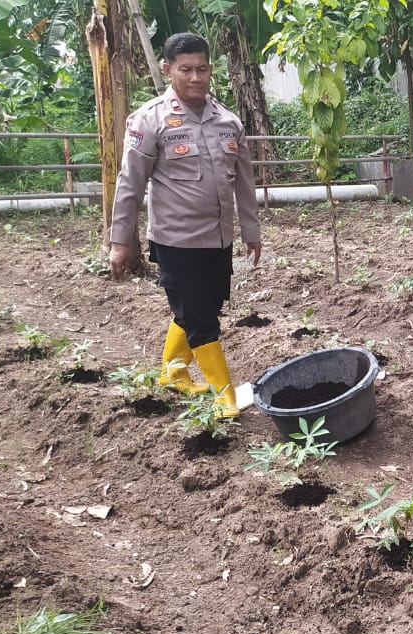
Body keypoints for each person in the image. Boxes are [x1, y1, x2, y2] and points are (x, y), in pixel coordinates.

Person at [108, 32, 261, 418]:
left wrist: (251, 230)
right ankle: (225, 395)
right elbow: (130, 184)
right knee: (201, 318)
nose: (196, 77)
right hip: (175, 241)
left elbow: (243, 182)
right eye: (186, 69)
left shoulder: (228, 122)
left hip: (218, 239)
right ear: (167, 70)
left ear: (212, 69)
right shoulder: (150, 120)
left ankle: (174, 372)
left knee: (202, 307)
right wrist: (120, 241)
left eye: (203, 69)